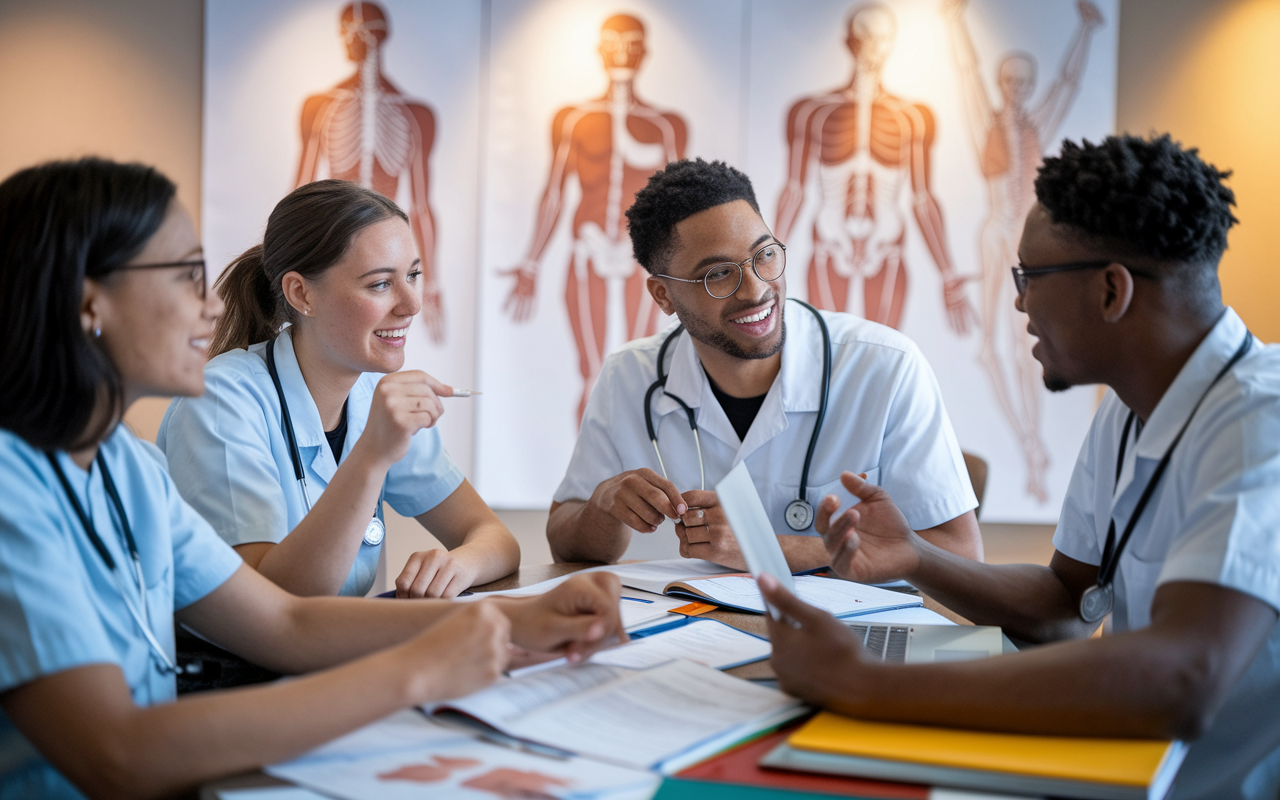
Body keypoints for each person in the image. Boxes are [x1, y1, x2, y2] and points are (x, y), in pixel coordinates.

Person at [0, 157, 623, 799]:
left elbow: (284, 624)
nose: (213, 305)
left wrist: (516, 618)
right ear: (88, 304)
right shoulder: (11, 489)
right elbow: (115, 754)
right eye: (187, 276)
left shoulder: (128, 468)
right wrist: (412, 674)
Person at [760, 134, 1280, 800]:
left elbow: (1186, 679)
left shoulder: (1259, 421)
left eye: (1028, 278)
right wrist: (916, 556)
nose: (1019, 304)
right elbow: (1065, 604)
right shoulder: (1129, 410)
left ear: (1111, 290)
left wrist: (865, 684)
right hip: (1119, 770)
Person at [548, 158, 982, 569]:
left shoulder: (885, 366)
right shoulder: (629, 376)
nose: (756, 290)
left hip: (848, 640)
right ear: (663, 296)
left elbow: (960, 554)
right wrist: (603, 504)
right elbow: (564, 540)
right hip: (694, 637)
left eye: (765, 255)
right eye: (718, 273)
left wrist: (766, 547)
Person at [159, 180, 519, 599]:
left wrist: (458, 564)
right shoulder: (221, 401)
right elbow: (271, 605)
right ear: (301, 293)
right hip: (241, 662)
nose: (412, 304)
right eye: (380, 284)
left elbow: (495, 539)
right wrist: (372, 455)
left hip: (334, 645)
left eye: (414, 275)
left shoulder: (373, 395)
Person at [941, 0, 1104, 502]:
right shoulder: (984, 123)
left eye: (1022, 85)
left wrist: (1085, 32)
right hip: (996, 236)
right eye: (1009, 83)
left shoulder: (1037, 127)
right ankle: (1031, 443)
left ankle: (1031, 445)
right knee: (994, 347)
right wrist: (955, 23)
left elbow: (1066, 86)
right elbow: (967, 77)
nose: (1016, 92)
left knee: (1020, 348)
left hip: (1024, 241)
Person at [503, 13, 688, 422]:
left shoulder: (665, 125)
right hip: (587, 248)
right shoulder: (574, 118)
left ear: (645, 53)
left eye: (631, 44)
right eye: (613, 43)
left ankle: (636, 477)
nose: (622, 53)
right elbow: (553, 192)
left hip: (642, 259)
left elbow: (681, 204)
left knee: (643, 373)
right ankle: (588, 484)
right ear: (600, 52)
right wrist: (531, 263)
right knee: (591, 373)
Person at [774, 3, 974, 333]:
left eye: (880, 39)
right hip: (829, 240)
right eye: (864, 38)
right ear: (850, 42)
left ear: (891, 42)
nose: (872, 48)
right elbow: (793, 191)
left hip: (887, 245)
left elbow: (923, 198)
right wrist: (766, 263)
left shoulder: (912, 117)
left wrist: (948, 274)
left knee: (884, 351)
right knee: (826, 349)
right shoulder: (812, 111)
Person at [295, 1, 444, 341]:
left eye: (354, 31)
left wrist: (432, 283)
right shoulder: (321, 107)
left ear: (376, 36)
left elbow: (422, 207)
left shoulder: (415, 114)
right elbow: (299, 200)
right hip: (331, 255)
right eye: (344, 31)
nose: (347, 39)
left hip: (390, 255)